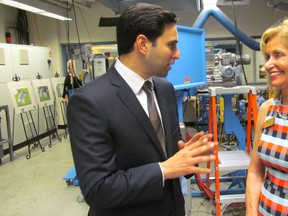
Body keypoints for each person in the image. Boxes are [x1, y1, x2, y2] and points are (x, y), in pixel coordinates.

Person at [67, 3, 216, 216]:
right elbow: (97, 190)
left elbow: (168, 158)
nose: (178, 54)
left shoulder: (164, 90)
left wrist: (187, 155)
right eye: (171, 45)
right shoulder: (90, 102)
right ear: (143, 44)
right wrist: (165, 169)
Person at [246, 17, 288, 215]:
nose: (268, 65)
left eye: (278, 55)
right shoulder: (267, 109)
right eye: (267, 57)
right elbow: (255, 172)